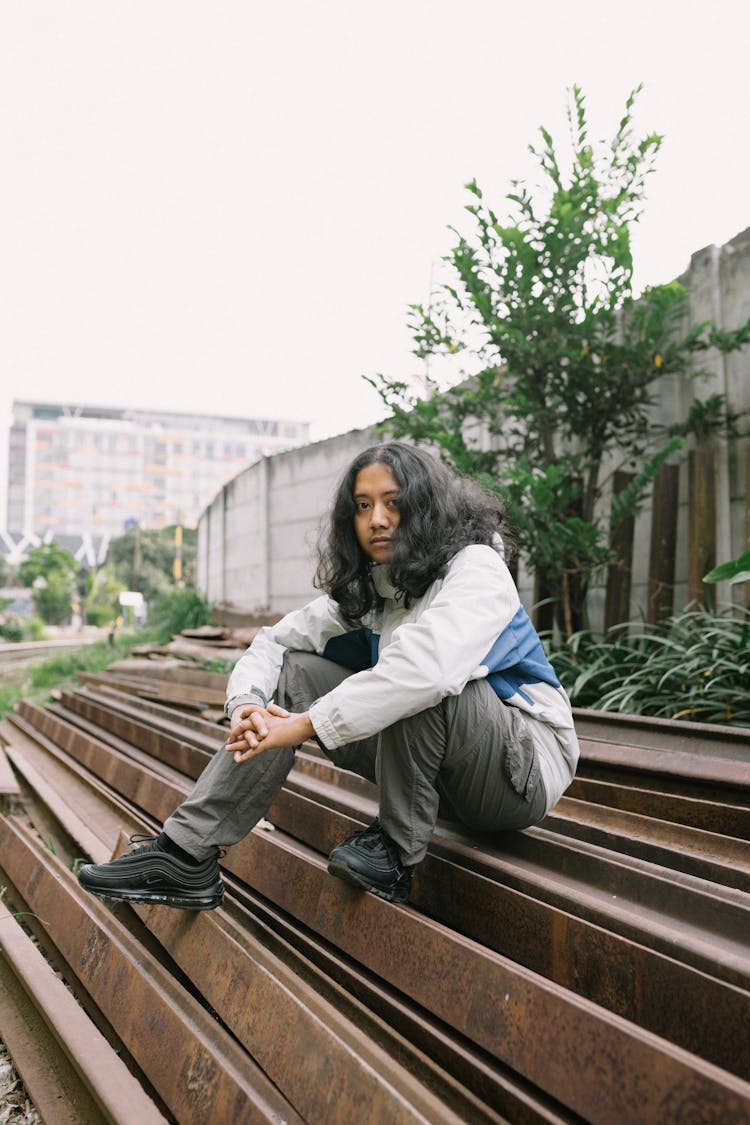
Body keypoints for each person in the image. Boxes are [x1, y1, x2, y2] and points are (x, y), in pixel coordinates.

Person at [78, 441, 579, 909]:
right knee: (292, 671)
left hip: (517, 775)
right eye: (362, 506)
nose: (377, 520)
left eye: (393, 502)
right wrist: (249, 706)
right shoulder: (378, 588)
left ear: (427, 505)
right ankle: (186, 857)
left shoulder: (476, 569)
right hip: (441, 777)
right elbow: (275, 641)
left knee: (423, 680)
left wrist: (299, 726)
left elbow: (424, 671)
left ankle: (395, 854)